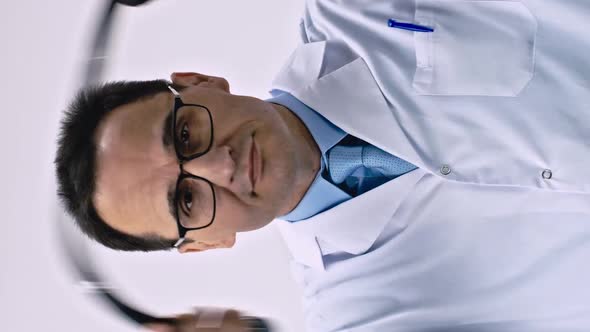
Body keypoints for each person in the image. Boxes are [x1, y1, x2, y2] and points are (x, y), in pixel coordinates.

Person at [56, 0, 590, 331]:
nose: (220, 166)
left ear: (200, 83)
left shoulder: (354, 9)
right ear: (206, 245)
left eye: (184, 133)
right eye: (186, 200)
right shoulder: (358, 317)